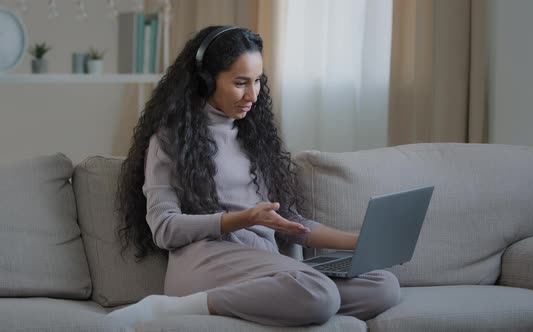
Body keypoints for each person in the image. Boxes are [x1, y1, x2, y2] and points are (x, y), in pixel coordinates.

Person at [108, 25, 401, 327]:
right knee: (320, 293)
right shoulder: (169, 141)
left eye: (257, 81)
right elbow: (165, 229)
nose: (252, 94)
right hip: (207, 263)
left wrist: (360, 241)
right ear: (206, 81)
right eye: (240, 83)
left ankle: (282, 300)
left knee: (382, 286)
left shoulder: (255, 138)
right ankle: (172, 308)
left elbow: (289, 223)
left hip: (263, 266)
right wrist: (244, 218)